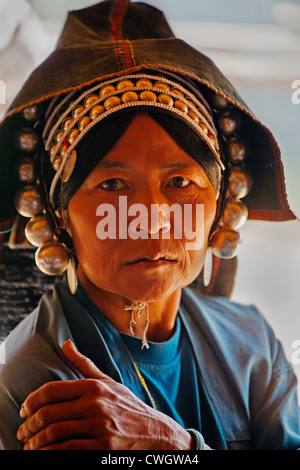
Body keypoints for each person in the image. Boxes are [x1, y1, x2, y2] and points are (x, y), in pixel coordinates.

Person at [0, 0, 299, 451]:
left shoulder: (250, 341)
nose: (152, 217)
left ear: (218, 203)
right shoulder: (43, 385)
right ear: (60, 214)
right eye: (114, 184)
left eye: (180, 181)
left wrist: (175, 447)